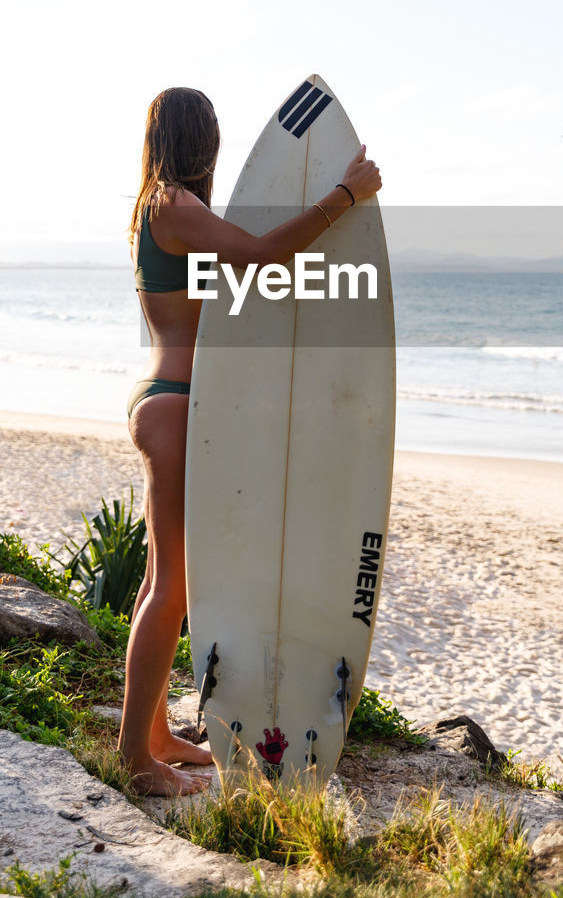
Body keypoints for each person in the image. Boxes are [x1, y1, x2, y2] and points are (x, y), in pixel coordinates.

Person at [116, 86, 382, 794]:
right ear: (198, 138)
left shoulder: (159, 206)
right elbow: (265, 255)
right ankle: (135, 763)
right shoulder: (175, 204)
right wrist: (344, 197)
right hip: (175, 407)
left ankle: (153, 736)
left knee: (157, 583)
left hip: (169, 402)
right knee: (173, 590)